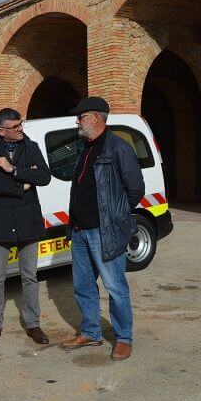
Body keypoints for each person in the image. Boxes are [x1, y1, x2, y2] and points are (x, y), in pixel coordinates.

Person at [60, 97, 145, 361]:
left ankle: (124, 338)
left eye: (81, 117)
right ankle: (91, 332)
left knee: (115, 286)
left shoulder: (119, 148)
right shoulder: (82, 148)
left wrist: (116, 217)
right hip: (80, 231)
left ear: (96, 117)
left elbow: (136, 189)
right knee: (83, 285)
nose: (77, 121)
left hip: (104, 232)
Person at [0, 108, 51, 346]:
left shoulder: (32, 147)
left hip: (28, 221)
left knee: (30, 276)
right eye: (15, 126)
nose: (20, 129)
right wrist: (22, 185)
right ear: (1, 130)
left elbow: (45, 177)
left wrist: (13, 170)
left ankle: (33, 324)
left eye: (21, 124)